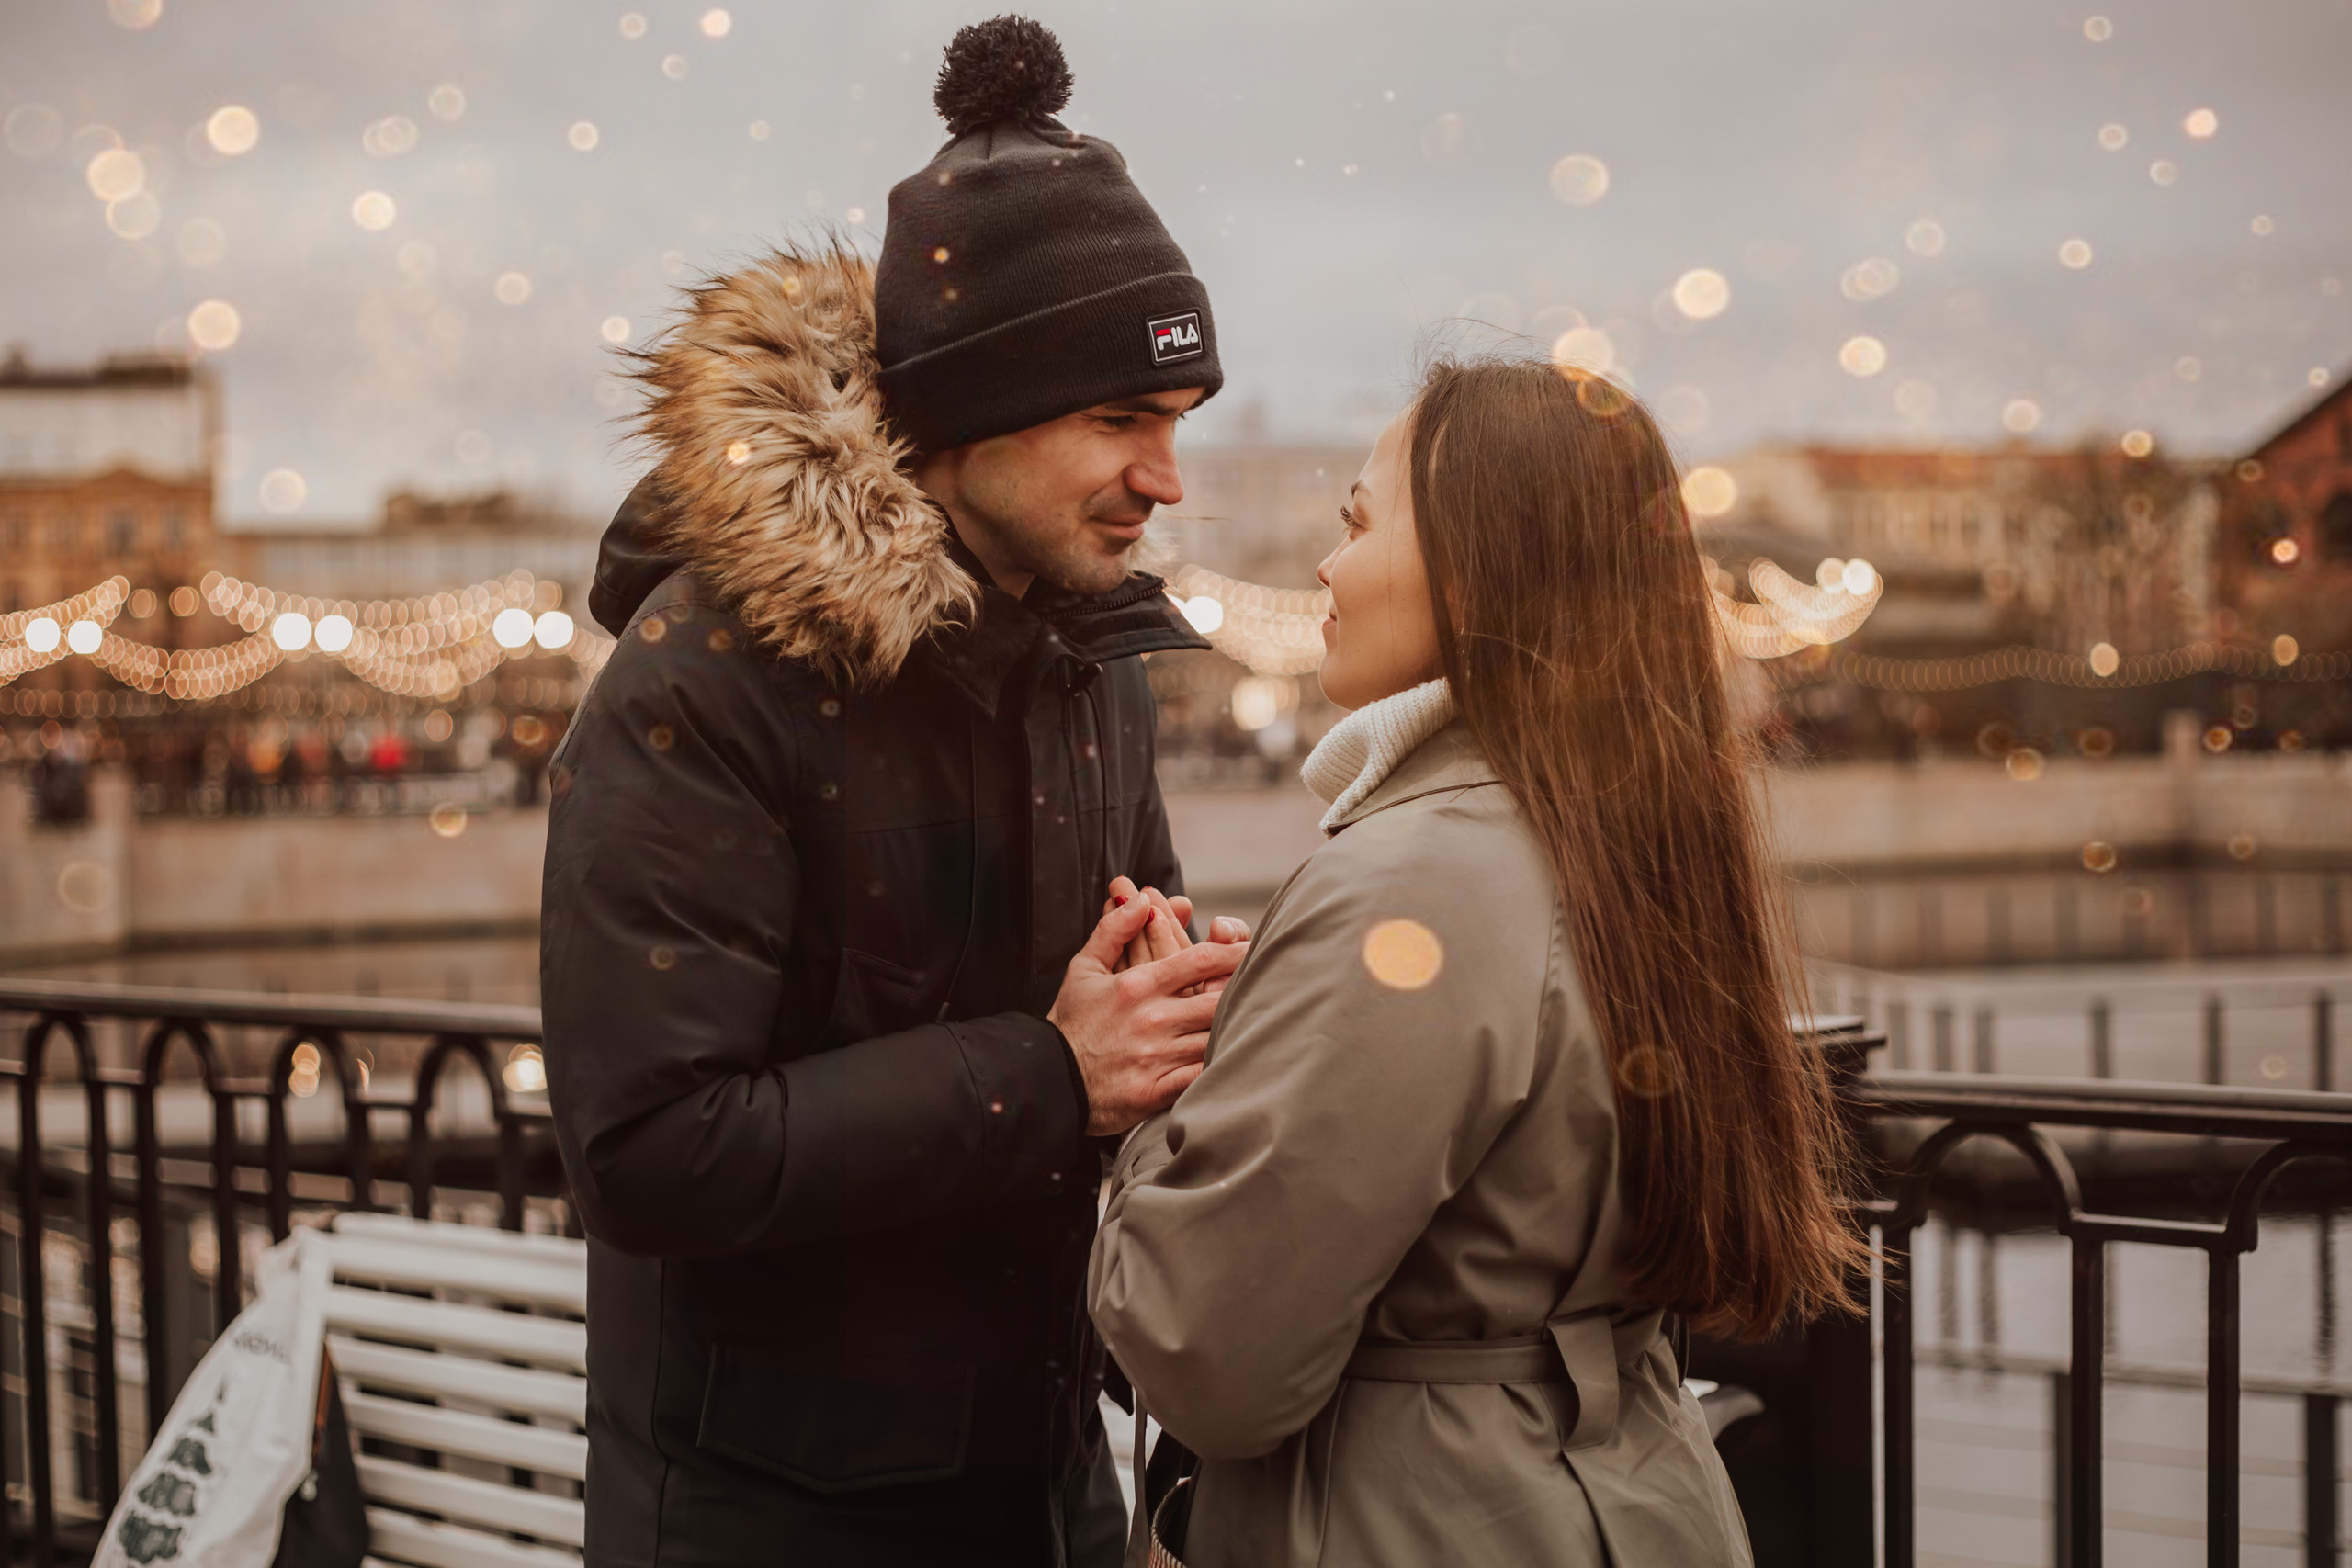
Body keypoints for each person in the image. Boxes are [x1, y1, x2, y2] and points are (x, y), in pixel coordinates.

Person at [540, 17, 1247, 1568]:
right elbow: (648, 1152)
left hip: (1042, 1487)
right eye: (1122, 420)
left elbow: (1115, 1029)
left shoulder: (1090, 660)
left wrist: (1190, 1008)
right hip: (769, 1523)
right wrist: (1047, 1075)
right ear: (975, 417)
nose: (1166, 479)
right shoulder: (706, 673)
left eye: (1177, 423)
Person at [1088, 355, 1864, 1565]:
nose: (1326, 568)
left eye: (1357, 525)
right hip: (1622, 1506)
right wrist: (1282, 1032)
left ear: (1473, 566)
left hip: (1420, 1523)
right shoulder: (1614, 828)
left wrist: (1155, 1100)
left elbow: (1210, 1359)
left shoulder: (1413, 880)